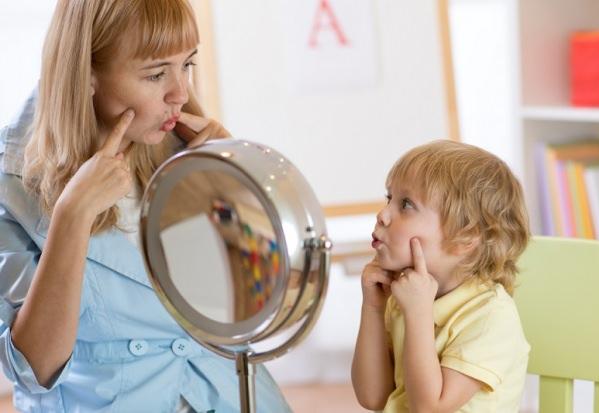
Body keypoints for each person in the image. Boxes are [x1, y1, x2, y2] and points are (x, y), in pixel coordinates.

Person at [0, 0, 291, 412]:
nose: (180, 94)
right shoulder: (11, 181)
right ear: (86, 75)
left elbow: (260, 302)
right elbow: (36, 367)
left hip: (229, 396)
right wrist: (72, 217)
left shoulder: (187, 149)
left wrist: (230, 183)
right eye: (156, 74)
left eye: (186, 65)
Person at [351, 140, 531, 412]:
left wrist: (418, 313)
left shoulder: (491, 317)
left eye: (406, 204)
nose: (383, 214)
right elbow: (372, 397)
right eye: (390, 198)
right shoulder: (406, 295)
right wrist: (373, 308)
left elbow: (429, 408)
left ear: (465, 237)